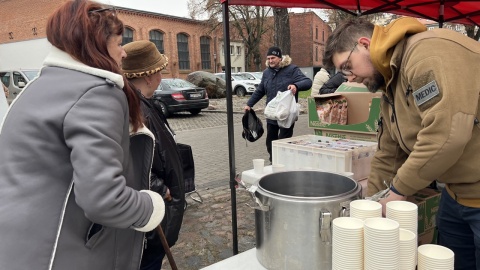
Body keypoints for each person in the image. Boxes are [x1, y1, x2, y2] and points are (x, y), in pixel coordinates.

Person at [0, 1, 165, 269]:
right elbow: (105, 199)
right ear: (96, 44)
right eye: (119, 43)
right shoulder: (97, 93)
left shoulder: (35, 89)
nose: (123, 53)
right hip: (59, 252)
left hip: (18, 247)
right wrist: (150, 206)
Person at [323, 17, 480, 270]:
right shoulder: (390, 84)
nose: (350, 79)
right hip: (455, 194)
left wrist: (398, 189)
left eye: (348, 67)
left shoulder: (426, 53)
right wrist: (371, 205)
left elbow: (446, 135)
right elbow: (389, 153)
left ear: (364, 44)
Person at [122, 40, 185, 270]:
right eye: (159, 71)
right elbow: (128, 162)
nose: (161, 75)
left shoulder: (147, 104)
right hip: (150, 216)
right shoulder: (134, 110)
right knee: (148, 263)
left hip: (157, 212)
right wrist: (160, 189)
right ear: (149, 77)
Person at [244, 46, 312, 162]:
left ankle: (283, 165)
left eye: (273, 58)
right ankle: (273, 162)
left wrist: (296, 86)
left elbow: (307, 82)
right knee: (270, 141)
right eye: (269, 58)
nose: (270, 61)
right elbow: (260, 90)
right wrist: (249, 104)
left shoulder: (291, 69)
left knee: (283, 142)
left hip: (287, 114)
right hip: (272, 114)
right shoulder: (266, 73)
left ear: (280, 58)